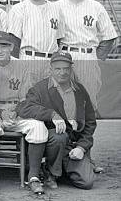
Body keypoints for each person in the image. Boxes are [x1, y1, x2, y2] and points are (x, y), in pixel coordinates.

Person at [0, 31, 48, 194]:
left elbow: (28, 97)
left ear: (12, 47)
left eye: (4, 46)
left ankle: (33, 176)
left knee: (38, 127)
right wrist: (1, 114)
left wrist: (13, 112)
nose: (0, 50)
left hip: (16, 110)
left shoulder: (23, 66)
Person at [19, 51, 97, 190]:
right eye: (58, 68)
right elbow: (24, 108)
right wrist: (51, 114)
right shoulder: (40, 88)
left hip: (73, 145)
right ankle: (51, 173)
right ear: (50, 70)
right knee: (59, 136)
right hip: (52, 143)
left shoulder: (80, 90)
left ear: (71, 69)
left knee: (87, 182)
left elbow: (90, 123)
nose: (62, 72)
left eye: (66, 68)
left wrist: (81, 147)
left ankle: (62, 169)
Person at [54, 0, 118, 110]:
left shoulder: (96, 7)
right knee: (63, 98)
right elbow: (51, 33)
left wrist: (96, 56)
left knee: (89, 98)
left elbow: (109, 36)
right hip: (65, 54)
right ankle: (67, 131)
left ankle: (86, 132)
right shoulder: (56, 6)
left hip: (87, 54)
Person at [7, 0, 65, 82]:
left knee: (50, 98)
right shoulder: (18, 9)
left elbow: (58, 39)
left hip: (50, 62)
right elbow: (14, 42)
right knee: (28, 98)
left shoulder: (57, 9)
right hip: (28, 59)